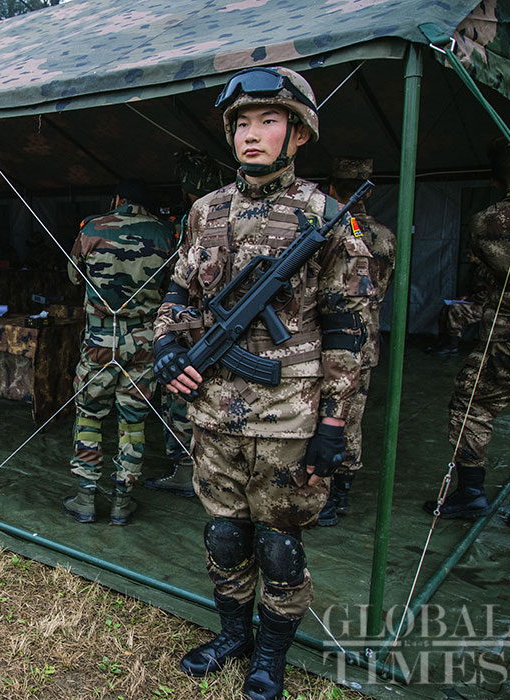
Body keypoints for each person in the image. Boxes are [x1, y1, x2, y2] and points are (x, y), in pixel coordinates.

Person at [153, 67, 373, 700]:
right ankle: (233, 636)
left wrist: (334, 422)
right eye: (242, 124)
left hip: (289, 414)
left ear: (298, 133)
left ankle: (270, 657)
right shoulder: (205, 211)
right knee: (225, 534)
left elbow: (348, 331)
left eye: (268, 121)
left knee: (279, 544)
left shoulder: (325, 216)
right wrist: (167, 344)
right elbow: (178, 293)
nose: (252, 134)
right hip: (214, 408)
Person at [423, 131, 510, 532]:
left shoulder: (488, 222)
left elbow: (485, 269)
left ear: (495, 180)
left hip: (507, 336)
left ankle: (470, 493)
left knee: (472, 407)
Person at [62, 179, 176, 525]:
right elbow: (174, 284)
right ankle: (122, 500)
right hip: (143, 341)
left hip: (100, 340)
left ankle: (85, 496)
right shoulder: (164, 234)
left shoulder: (92, 228)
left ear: (117, 199)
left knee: (89, 414)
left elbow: (73, 277)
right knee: (133, 420)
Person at [318, 157, 396, 526]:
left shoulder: (328, 228)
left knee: (322, 413)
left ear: (332, 187)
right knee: (350, 416)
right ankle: (342, 491)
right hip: (365, 339)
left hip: (330, 339)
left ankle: (323, 492)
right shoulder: (384, 236)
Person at [146, 150, 227, 498]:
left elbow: (180, 276)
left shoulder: (198, 217)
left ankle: (186, 469)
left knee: (181, 397)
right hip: (212, 323)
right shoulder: (227, 210)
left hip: (193, 325)